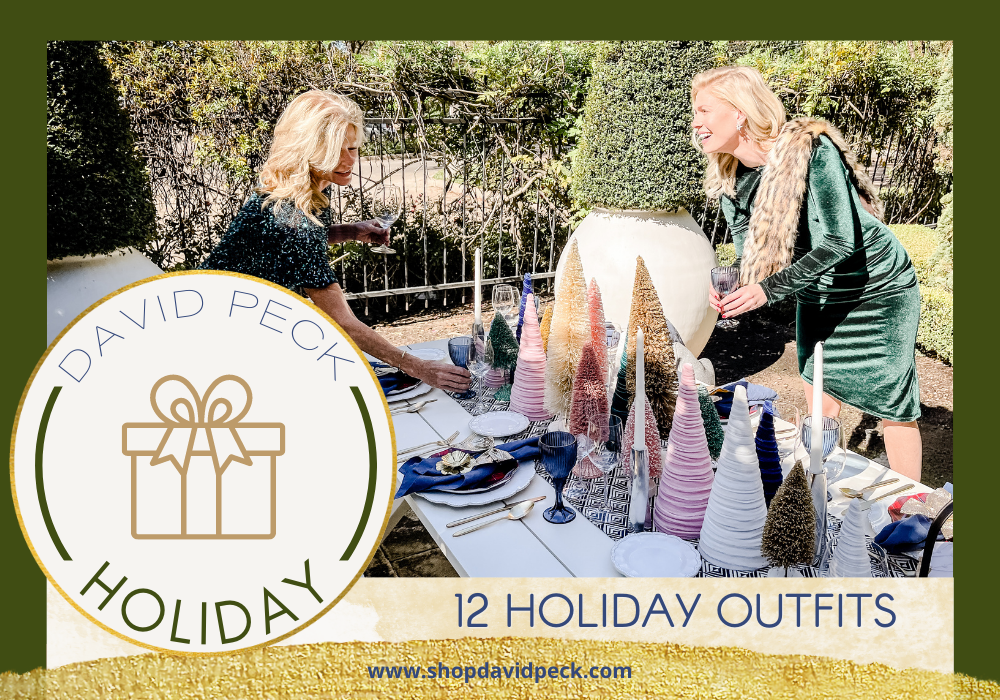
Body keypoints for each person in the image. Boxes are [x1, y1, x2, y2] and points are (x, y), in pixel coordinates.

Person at [692, 66, 922, 481]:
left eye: (705, 110)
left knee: (892, 402)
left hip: (877, 290)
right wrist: (737, 289)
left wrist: (768, 290)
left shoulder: (810, 151)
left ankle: (916, 507)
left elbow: (840, 242)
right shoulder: (732, 177)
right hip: (820, 291)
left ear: (739, 112)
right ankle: (816, 488)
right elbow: (753, 260)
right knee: (818, 390)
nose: (696, 122)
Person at [200, 90, 470, 393]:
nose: (348, 160)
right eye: (334, 150)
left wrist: (349, 232)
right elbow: (340, 320)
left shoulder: (311, 186)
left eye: (352, 148)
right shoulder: (290, 213)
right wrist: (417, 366)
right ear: (305, 150)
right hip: (219, 335)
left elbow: (289, 251)